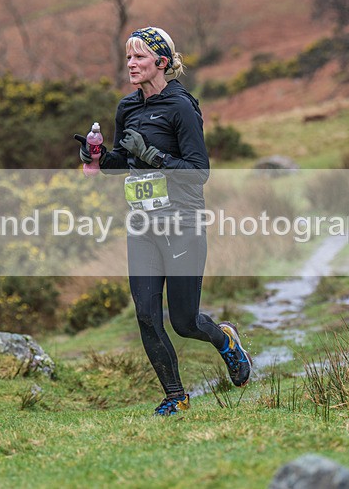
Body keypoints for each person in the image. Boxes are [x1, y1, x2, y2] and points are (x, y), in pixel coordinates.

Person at [75, 26, 251, 416]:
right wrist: (98, 157)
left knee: (184, 321)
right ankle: (176, 396)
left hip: (182, 221)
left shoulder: (182, 106)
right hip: (142, 224)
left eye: (138, 57)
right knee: (146, 315)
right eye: (128, 57)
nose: (131, 64)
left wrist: (154, 156)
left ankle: (224, 340)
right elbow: (123, 162)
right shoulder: (127, 108)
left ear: (162, 62)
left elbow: (198, 171)